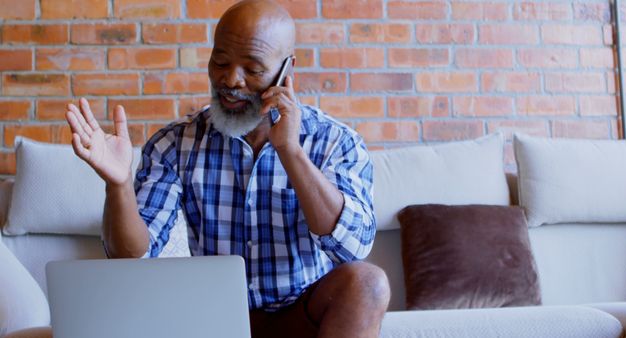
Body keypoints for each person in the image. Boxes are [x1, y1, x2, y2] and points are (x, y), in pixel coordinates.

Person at [6, 1, 390, 338]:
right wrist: (118, 184)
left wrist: (290, 151)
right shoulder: (175, 143)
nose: (230, 79)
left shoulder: (336, 142)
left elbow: (351, 247)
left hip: (301, 316)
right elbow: (131, 258)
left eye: (252, 68)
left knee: (368, 282)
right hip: (212, 320)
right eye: (220, 61)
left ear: (286, 70)